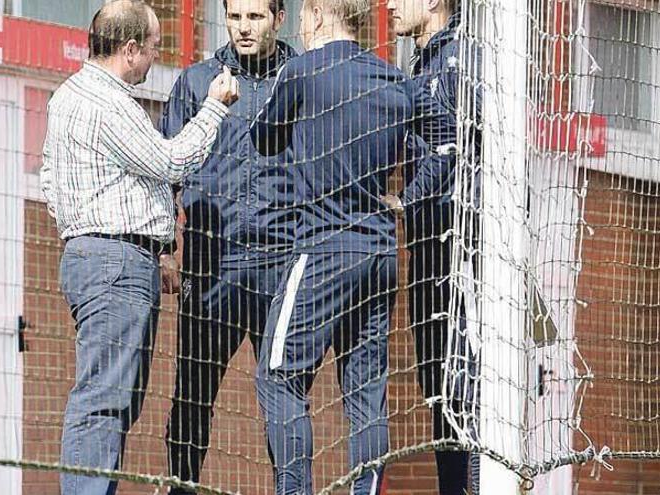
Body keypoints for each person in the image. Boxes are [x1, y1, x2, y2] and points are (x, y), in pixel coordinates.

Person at [249, 0, 456, 491]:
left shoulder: (300, 72)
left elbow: (263, 138)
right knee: (365, 393)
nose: (299, 25)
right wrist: (407, 199)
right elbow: (448, 140)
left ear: (318, 15)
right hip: (381, 253)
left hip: (323, 247)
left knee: (277, 376)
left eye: (301, 16)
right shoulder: (394, 80)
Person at [39, 1, 239, 493]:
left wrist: (156, 246)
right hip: (114, 264)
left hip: (105, 256)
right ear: (129, 49)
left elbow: (49, 178)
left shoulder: (67, 96)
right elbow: (173, 161)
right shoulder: (105, 102)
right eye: (152, 47)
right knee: (105, 398)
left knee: (115, 396)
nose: (155, 56)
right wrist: (214, 106)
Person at [159, 0, 298, 492]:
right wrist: (163, 249)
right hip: (209, 262)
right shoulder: (196, 83)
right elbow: (163, 171)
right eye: (234, 16)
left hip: (279, 265)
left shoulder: (300, 80)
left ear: (280, 19)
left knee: (285, 398)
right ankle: (182, 488)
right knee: (191, 397)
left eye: (255, 17)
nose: (242, 27)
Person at [386, 0, 481, 493]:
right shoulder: (420, 61)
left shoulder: (463, 56)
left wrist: (407, 199)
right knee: (438, 388)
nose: (390, 4)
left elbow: (457, 141)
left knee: (464, 384)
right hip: (427, 242)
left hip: (457, 240)